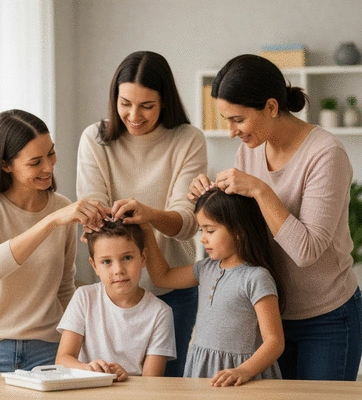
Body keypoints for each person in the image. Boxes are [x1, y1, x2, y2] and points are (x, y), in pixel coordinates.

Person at [189, 54, 362, 381]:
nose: (230, 132)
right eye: (226, 119)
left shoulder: (325, 154)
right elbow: (246, 226)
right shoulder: (250, 149)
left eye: (237, 119)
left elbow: (306, 251)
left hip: (327, 318)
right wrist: (209, 197)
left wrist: (259, 190)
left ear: (271, 106)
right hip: (271, 316)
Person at [76, 50, 207, 377]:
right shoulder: (95, 138)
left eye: (146, 106)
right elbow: (93, 206)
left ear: (165, 101)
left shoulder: (187, 139)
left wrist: (148, 214)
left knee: (168, 389)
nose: (134, 116)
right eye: (125, 103)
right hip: (114, 289)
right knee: (112, 385)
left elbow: (187, 222)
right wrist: (95, 217)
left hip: (173, 290)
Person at [0, 109, 102, 372]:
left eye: (51, 153)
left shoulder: (62, 207)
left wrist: (82, 347)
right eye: (35, 161)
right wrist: (51, 221)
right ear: (5, 164)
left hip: (46, 350)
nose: (49, 167)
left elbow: (63, 287)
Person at [142, 188, 285, 386]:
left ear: (239, 231)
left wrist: (243, 371)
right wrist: (147, 230)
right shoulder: (205, 268)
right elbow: (162, 277)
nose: (203, 238)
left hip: (243, 378)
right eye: (202, 231)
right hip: (203, 371)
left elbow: (274, 341)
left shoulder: (256, 277)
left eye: (210, 230)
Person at [55, 215, 176, 380]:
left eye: (127, 258)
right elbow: (62, 360)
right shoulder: (84, 297)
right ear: (94, 265)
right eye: (106, 262)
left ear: (143, 258)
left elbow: (151, 382)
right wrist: (88, 369)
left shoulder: (160, 313)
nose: (118, 270)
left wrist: (125, 378)